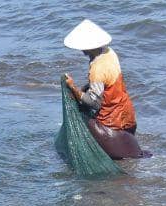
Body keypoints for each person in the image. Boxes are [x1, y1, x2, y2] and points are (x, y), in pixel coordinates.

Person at [62, 19, 147, 160]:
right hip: (128, 116)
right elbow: (106, 85)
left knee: (83, 117)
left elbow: (93, 103)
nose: (82, 50)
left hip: (110, 125)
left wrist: (73, 88)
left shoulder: (97, 68)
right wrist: (85, 88)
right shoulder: (109, 52)